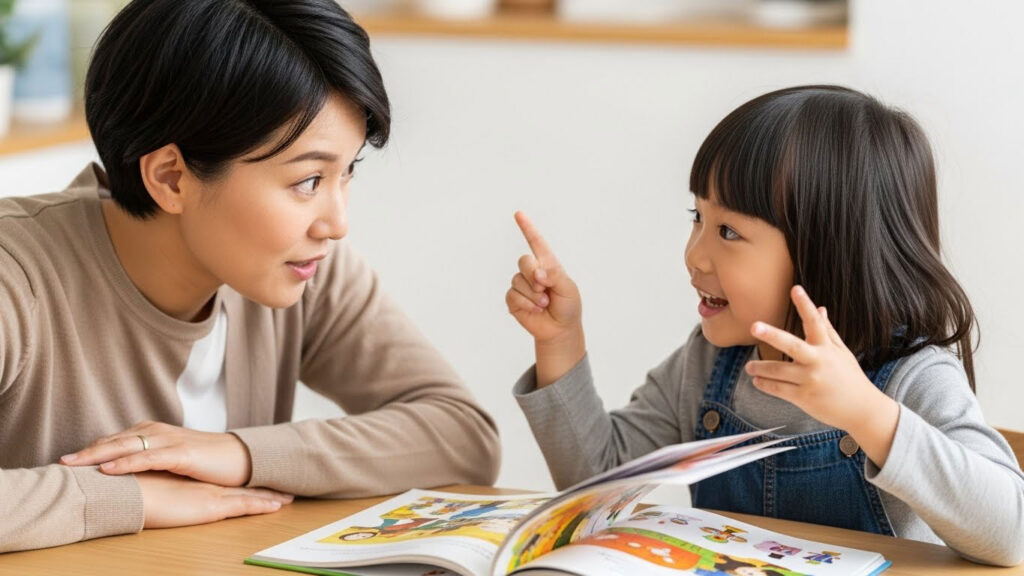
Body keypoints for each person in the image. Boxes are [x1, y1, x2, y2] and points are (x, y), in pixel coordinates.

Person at [0, 0, 499, 553]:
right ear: (170, 177)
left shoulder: (305, 266)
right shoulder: (14, 279)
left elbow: (462, 435)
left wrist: (237, 453)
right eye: (308, 180)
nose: (336, 223)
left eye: (347, 172)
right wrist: (126, 497)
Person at [505, 85, 1024, 566]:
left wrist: (867, 414)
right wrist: (560, 341)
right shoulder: (708, 366)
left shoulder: (911, 376)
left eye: (728, 230)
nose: (694, 255)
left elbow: (1011, 532)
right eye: (697, 218)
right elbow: (594, 486)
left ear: (827, 250)